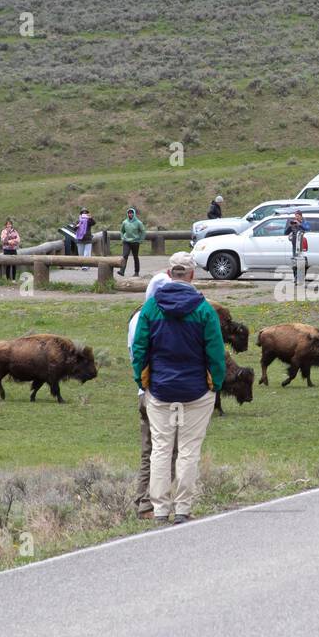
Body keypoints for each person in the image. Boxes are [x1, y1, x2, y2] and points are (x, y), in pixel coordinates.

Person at [131, 252, 226, 526]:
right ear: (192, 275)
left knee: (160, 448)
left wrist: (142, 381)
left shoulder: (151, 309)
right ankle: (183, 507)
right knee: (188, 449)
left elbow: (139, 350)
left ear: (169, 273)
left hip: (160, 390)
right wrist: (215, 384)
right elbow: (216, 353)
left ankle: (160, 508)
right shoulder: (204, 310)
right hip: (196, 391)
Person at [128, 305, 176, 519]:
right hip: (160, 393)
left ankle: (142, 501)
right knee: (168, 450)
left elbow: (136, 355)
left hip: (145, 391)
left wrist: (141, 384)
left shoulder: (137, 317)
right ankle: (151, 504)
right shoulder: (154, 318)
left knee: (149, 451)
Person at [118, 207, 146, 277]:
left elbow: (143, 231)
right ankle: (122, 270)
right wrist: (122, 237)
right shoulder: (125, 222)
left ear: (134, 214)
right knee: (125, 255)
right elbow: (122, 231)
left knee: (135, 257)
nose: (130, 214)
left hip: (135, 242)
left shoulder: (138, 222)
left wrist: (141, 240)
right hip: (126, 241)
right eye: (129, 213)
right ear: (127, 214)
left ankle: (136, 272)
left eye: (131, 213)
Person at [284, 209, 310, 282]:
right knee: (295, 262)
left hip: (303, 246)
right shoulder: (294, 224)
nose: (296, 218)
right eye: (295, 216)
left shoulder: (305, 222)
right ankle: (295, 278)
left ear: (301, 216)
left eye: (298, 216)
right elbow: (285, 233)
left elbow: (308, 229)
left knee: (302, 262)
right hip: (295, 246)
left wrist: (300, 224)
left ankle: (301, 278)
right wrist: (290, 226)